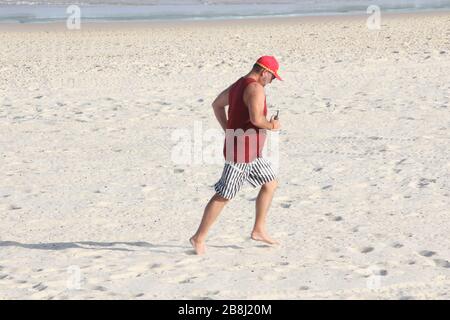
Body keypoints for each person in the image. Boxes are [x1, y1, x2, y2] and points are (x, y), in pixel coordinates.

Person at [190, 56, 282, 255]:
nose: (272, 81)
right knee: (224, 194)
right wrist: (272, 125)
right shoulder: (256, 88)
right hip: (242, 153)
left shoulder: (239, 84)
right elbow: (257, 120)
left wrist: (228, 129)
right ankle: (198, 238)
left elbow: (216, 104)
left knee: (270, 183)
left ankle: (259, 229)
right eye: (273, 77)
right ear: (264, 72)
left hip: (251, 151)